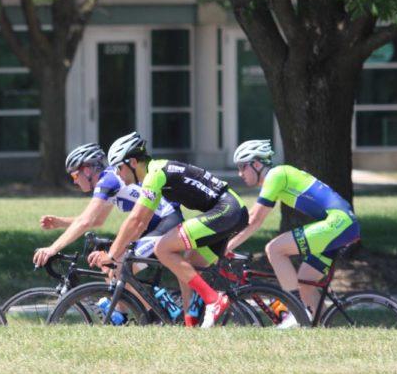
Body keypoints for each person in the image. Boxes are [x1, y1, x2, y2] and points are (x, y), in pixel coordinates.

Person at [87, 132, 249, 328]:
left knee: (163, 248)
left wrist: (112, 255)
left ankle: (213, 299)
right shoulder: (155, 174)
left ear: (132, 162)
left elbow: (135, 219)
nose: (118, 174)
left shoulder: (155, 174)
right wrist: (123, 248)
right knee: (187, 264)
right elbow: (142, 223)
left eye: (119, 168)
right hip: (232, 211)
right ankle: (191, 324)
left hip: (227, 210)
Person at [226, 139, 361, 327]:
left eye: (242, 167)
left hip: (338, 223)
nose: (240, 174)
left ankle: (296, 311)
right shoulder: (279, 176)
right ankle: (320, 329)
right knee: (305, 281)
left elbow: (255, 218)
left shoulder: (276, 175)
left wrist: (226, 246)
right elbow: (251, 216)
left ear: (256, 164)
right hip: (344, 224)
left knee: (275, 249)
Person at [33, 143, 182, 268]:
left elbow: (85, 221)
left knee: (120, 270)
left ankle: (142, 304)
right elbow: (97, 220)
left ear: (87, 170)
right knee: (109, 268)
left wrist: (52, 249)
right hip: (153, 225)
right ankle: (127, 303)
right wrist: (60, 222)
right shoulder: (110, 180)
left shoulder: (108, 181)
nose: (74, 181)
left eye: (74, 175)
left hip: (166, 221)